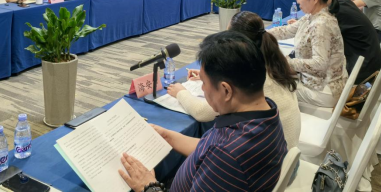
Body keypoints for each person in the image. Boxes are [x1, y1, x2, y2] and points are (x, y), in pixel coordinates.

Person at [118, 31, 287, 192]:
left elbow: (220, 154)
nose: (203, 89)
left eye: (204, 83)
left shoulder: (227, 156)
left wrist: (148, 186)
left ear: (226, 91)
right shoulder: (265, 111)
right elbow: (206, 148)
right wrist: (168, 136)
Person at [168, 11, 300, 150]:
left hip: (268, 154)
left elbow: (201, 112)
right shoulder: (272, 64)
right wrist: (208, 77)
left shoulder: (252, 78)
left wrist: (180, 92)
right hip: (282, 150)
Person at [268, 0, 347, 107]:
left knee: (270, 88)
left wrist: (285, 62)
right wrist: (261, 33)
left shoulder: (321, 24)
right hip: (318, 82)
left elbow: (320, 63)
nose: (297, 0)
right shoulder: (313, 16)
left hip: (323, 90)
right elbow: (286, 30)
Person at [326, 0, 381, 84]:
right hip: (369, 61)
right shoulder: (344, 1)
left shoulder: (337, 11)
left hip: (361, 70)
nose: (298, 1)